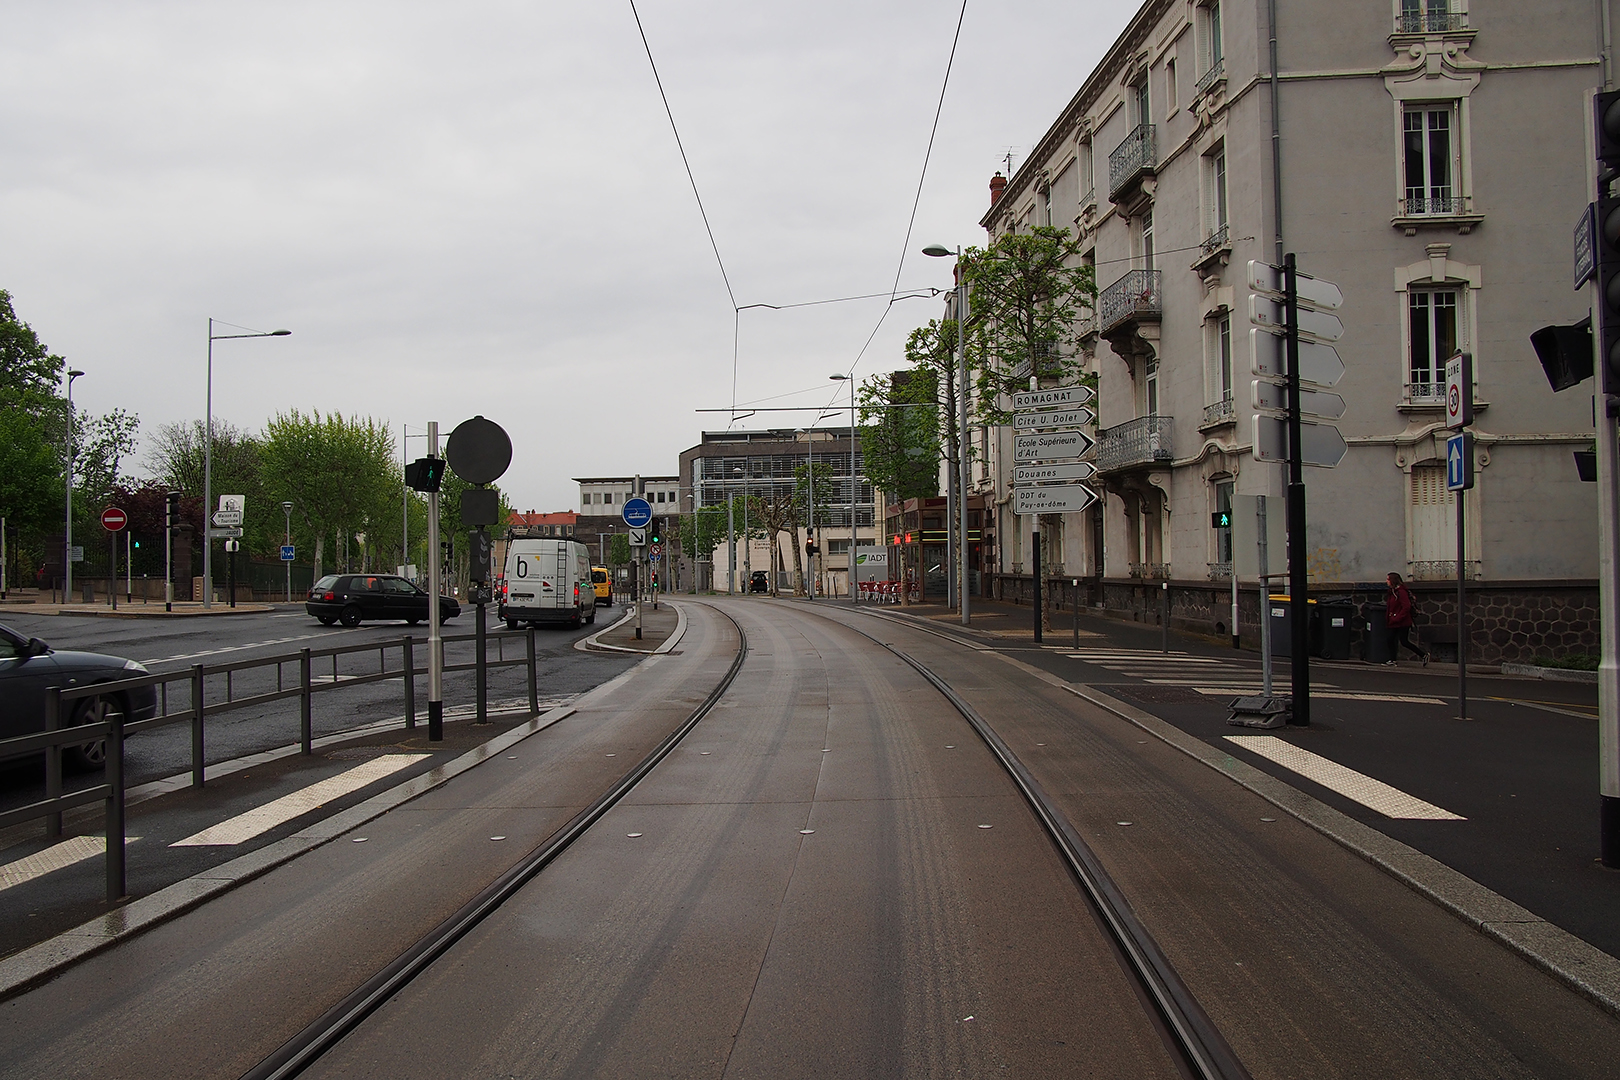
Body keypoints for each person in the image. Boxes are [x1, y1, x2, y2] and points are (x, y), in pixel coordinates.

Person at [1384, 572, 1429, 666]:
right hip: (1394, 620)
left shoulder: (1401, 592)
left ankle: (1423, 655)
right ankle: (1392, 659)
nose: (1386, 581)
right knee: (1390, 639)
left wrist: (1397, 617)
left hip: (1402, 622)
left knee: (1403, 641)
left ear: (1393, 580)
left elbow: (1406, 607)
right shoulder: (1392, 592)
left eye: (1388, 579)